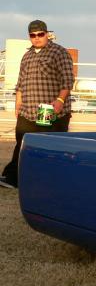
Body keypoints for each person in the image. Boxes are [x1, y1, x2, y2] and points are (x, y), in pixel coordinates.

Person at [0, 20, 74, 189]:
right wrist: (18, 102)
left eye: (40, 34)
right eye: (33, 35)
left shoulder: (59, 52)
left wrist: (60, 100)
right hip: (28, 110)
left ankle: (54, 181)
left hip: (49, 110)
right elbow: (21, 81)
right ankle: (13, 178)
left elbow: (68, 80)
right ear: (29, 36)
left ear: (47, 34)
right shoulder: (27, 55)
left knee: (51, 147)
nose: (37, 38)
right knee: (22, 144)